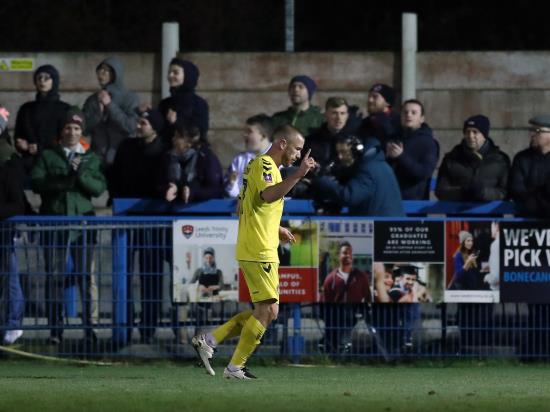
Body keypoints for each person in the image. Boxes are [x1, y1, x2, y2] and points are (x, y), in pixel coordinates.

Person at [191, 124, 316, 379]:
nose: (298, 155)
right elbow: (268, 196)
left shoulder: (258, 166)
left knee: (267, 311)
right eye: (297, 149)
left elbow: (250, 205)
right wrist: (298, 175)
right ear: (283, 144)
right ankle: (233, 366)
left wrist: (277, 227)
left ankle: (211, 341)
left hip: (258, 244)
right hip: (258, 249)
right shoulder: (266, 166)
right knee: (268, 311)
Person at [30, 108, 106, 344]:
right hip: (56, 222)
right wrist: (63, 180)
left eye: (76, 128)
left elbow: (99, 187)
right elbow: (37, 182)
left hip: (83, 223)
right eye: (68, 128)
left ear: (81, 132)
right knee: (54, 276)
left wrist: (80, 174)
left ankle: (89, 327)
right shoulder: (49, 156)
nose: (72, 132)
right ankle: (55, 328)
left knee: (86, 276)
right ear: (61, 131)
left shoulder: (90, 157)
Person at [110, 108, 167, 344]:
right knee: (123, 272)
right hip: (126, 215)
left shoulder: (162, 150)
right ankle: (123, 327)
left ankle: (148, 328)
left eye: (144, 122)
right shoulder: (127, 147)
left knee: (150, 274)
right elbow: (115, 176)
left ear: (154, 126)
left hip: (152, 219)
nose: (139, 125)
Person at [311, 136, 405, 216]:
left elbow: (349, 197)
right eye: (338, 152)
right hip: (386, 227)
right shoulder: (377, 164)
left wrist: (322, 180)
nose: (340, 157)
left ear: (357, 151)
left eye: (344, 152)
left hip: (381, 230)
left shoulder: (367, 170)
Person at [83, 56, 139, 172]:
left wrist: (110, 105)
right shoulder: (92, 100)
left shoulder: (129, 97)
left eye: (106, 70)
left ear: (116, 73)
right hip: (97, 158)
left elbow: (131, 127)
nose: (101, 73)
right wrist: (98, 115)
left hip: (121, 156)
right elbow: (84, 129)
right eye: (100, 70)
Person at [436, 115, 510, 201]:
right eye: (467, 132)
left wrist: (483, 193)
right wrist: (463, 192)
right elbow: (441, 191)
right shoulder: (451, 158)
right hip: (458, 212)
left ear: (484, 135)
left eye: (475, 132)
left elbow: (505, 192)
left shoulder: (500, 159)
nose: (470, 136)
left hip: (489, 213)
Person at [13, 64, 71, 172]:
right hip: (29, 163)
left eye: (46, 78)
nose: (42, 81)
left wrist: (40, 148)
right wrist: (22, 145)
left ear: (54, 80)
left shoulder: (65, 109)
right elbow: (18, 135)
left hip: (55, 164)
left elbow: (68, 140)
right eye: (39, 78)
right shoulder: (26, 109)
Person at [0, 106, 26, 345]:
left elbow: (17, 203)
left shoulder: (9, 159)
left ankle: (12, 326)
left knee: (9, 277)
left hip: (4, 231)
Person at [386, 99, 439, 200]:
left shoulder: (428, 143)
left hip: (414, 204)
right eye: (405, 112)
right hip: (390, 200)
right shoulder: (393, 138)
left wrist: (401, 157)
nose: (408, 115)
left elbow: (423, 173)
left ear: (422, 119)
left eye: (413, 113)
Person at [164, 124, 224, 203]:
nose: (173, 139)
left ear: (188, 143)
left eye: (178, 137)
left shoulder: (206, 158)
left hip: (203, 211)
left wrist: (193, 192)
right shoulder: (169, 158)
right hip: (172, 210)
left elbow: (216, 189)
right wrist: (169, 188)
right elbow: (159, 183)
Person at [158, 58, 209, 143]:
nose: (170, 75)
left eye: (175, 72)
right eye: (169, 72)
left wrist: (176, 122)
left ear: (187, 75)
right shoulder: (165, 103)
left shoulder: (199, 104)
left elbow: (200, 132)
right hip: (167, 154)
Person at [509, 116, 550, 217]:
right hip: (526, 219)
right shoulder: (521, 158)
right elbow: (516, 189)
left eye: (538, 131)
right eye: (531, 130)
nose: (532, 134)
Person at [225, 114, 273, 198]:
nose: (245, 135)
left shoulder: (280, 158)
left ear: (263, 136)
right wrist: (231, 184)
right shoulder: (239, 159)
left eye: (249, 131)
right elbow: (231, 190)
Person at [357, 83, 400, 149]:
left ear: (387, 102)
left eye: (375, 97)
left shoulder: (398, 122)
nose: (370, 100)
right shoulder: (365, 123)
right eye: (369, 96)